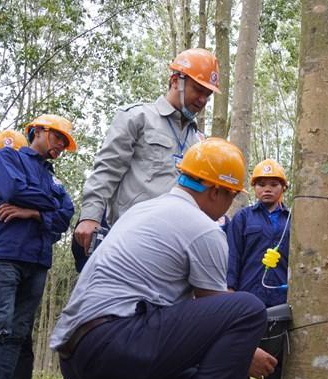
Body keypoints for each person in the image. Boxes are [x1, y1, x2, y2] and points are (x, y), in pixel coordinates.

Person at [51, 138, 275, 379]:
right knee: (247, 309)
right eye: (231, 195)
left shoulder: (142, 210)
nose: (229, 205)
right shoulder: (204, 229)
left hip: (75, 363)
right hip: (114, 347)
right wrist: (247, 352)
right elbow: (222, 321)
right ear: (216, 191)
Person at [0, 115, 76, 379]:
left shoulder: (54, 178)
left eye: (64, 142)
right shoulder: (9, 158)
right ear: (39, 133)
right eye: (57, 137)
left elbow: (65, 215)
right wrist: (46, 205)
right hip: (5, 255)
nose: (61, 145)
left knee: (18, 333)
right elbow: (13, 191)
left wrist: (31, 213)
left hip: (38, 261)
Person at [74, 48, 220, 252]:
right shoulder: (137, 117)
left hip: (177, 243)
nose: (203, 100)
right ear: (175, 80)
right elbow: (107, 169)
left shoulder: (198, 140)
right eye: (197, 89)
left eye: (208, 95)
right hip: (132, 236)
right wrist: (90, 216)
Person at [226, 159, 289, 379]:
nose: (267, 189)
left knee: (277, 356)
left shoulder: (292, 219)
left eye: (273, 184)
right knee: (242, 352)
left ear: (283, 187)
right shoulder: (242, 219)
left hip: (281, 299)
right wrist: (230, 292)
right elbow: (233, 257)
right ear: (254, 188)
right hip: (247, 298)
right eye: (261, 184)